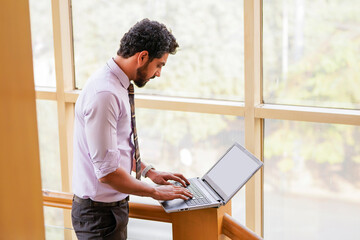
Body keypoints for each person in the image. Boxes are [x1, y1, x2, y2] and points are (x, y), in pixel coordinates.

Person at [71, 19, 192, 240]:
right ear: (142, 56)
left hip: (108, 211)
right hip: (99, 217)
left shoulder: (117, 85)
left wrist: (148, 172)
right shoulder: (104, 94)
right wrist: (155, 192)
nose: (158, 74)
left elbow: (113, 151)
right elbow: (107, 173)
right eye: (159, 65)